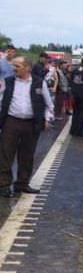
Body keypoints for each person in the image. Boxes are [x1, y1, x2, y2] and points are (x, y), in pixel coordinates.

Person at [0, 57, 54, 197]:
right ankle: (4, 185)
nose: (14, 68)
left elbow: (48, 104)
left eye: (17, 66)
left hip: (31, 123)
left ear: (27, 68)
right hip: (11, 122)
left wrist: (47, 118)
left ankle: (22, 184)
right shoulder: (8, 82)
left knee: (27, 155)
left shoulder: (39, 82)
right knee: (6, 154)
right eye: (13, 66)